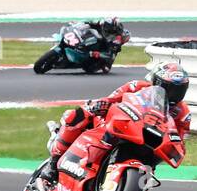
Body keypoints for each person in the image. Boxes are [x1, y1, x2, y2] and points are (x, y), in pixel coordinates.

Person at [41, 64, 190, 181]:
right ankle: (53, 163)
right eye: (169, 88)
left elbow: (179, 138)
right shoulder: (136, 87)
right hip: (119, 125)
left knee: (150, 170)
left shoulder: (182, 113)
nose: (173, 94)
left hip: (146, 143)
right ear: (156, 82)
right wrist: (101, 105)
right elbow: (112, 98)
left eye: (179, 90)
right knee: (79, 114)